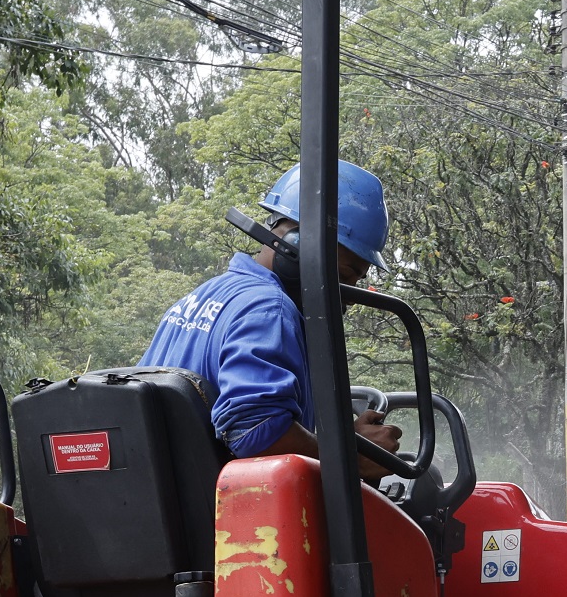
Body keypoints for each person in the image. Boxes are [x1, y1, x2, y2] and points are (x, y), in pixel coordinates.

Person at [140, 161, 400, 475]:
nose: (350, 296)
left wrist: (345, 440)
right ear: (295, 249)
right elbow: (256, 432)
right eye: (345, 276)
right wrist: (352, 458)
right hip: (224, 503)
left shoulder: (203, 296)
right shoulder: (270, 309)